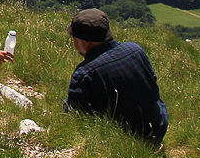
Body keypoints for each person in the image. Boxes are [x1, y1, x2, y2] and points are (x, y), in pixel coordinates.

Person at [64, 8, 169, 146]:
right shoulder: (135, 49)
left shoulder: (85, 73)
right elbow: (152, 84)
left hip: (124, 142)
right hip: (157, 127)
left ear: (84, 41)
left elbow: (75, 117)